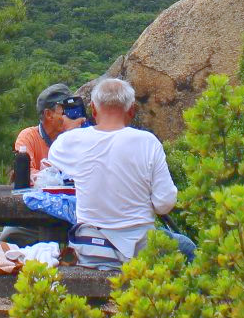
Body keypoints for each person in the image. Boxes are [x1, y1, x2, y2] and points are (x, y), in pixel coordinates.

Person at [42, 77, 195, 269]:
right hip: (139, 250)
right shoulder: (148, 142)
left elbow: (54, 157)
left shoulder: (69, 142)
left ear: (93, 109)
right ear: (132, 110)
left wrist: (71, 130)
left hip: (91, 250)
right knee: (187, 247)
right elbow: (164, 204)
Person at [12, 83, 80, 189]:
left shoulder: (75, 137)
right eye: (65, 110)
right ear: (48, 114)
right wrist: (56, 178)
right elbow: (27, 174)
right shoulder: (28, 137)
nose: (70, 114)